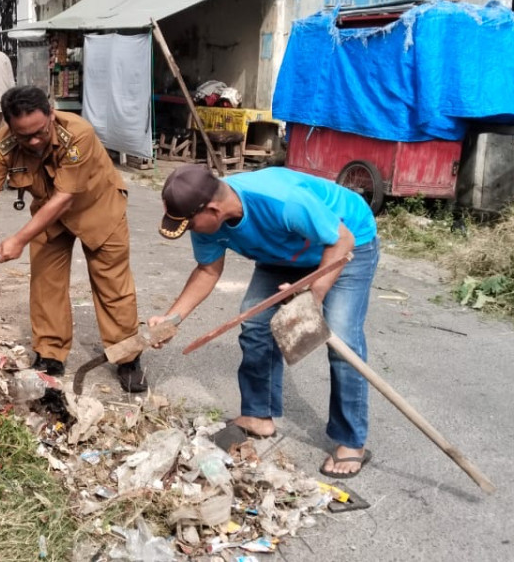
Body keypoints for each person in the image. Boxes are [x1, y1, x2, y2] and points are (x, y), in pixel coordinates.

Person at [150, 165, 380, 478]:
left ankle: (351, 441)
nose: (189, 230)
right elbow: (207, 271)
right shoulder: (208, 221)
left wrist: (313, 294)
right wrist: (172, 318)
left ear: (213, 209)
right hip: (284, 255)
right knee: (256, 324)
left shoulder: (283, 201)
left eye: (189, 224)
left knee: (342, 341)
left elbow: (341, 241)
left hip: (346, 242)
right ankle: (258, 416)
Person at [0, 86, 145, 392]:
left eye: (40, 131)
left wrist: (19, 239)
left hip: (98, 207)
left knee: (112, 284)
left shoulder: (77, 134)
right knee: (45, 283)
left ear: (51, 114)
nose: (34, 141)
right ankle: (51, 354)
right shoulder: (2, 145)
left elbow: (65, 198)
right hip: (48, 215)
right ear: (10, 126)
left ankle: (127, 357)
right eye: (24, 136)